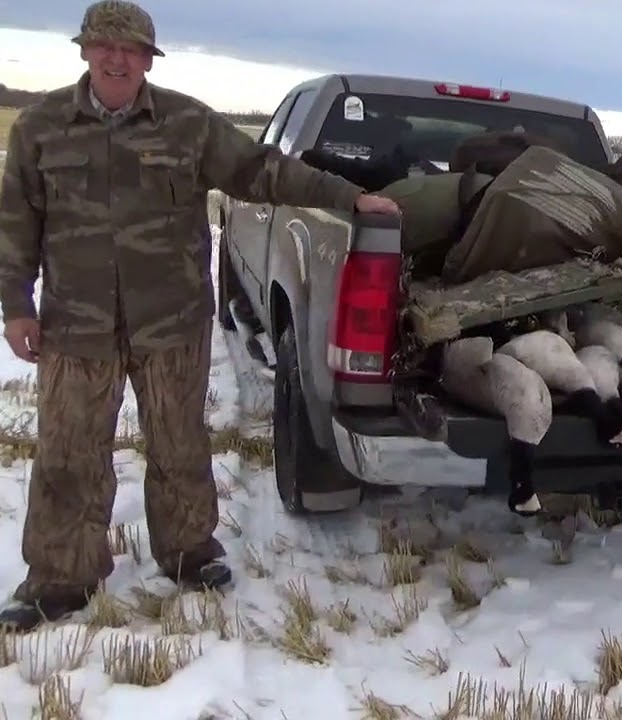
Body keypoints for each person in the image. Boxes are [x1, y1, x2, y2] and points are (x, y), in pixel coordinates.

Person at [0, 0, 401, 633]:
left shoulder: (187, 124)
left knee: (180, 444)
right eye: (105, 46)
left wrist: (348, 196)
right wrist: (16, 305)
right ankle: (59, 578)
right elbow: (16, 223)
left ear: (146, 60)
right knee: (67, 454)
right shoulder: (40, 127)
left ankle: (189, 553)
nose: (116, 59)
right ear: (84, 50)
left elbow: (260, 171)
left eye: (130, 50)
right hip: (75, 325)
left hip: (172, 321)